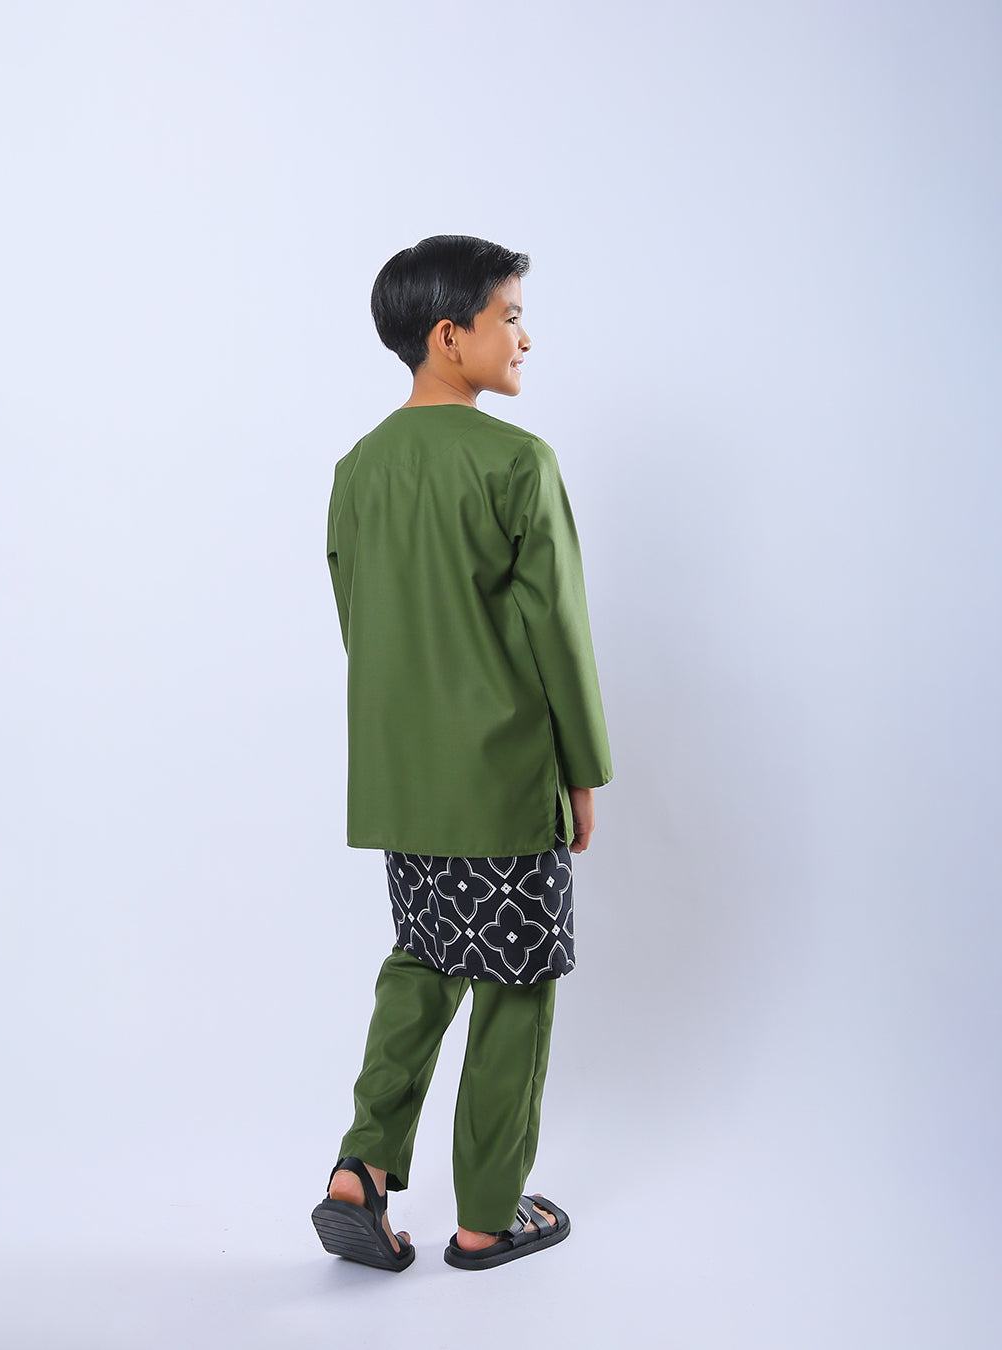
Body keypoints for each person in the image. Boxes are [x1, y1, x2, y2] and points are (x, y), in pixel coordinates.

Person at [311, 235, 613, 1272]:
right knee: (516, 984)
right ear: (450, 335)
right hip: (501, 776)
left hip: (405, 781)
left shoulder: (357, 471)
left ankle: (360, 1170)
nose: (525, 337)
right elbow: (558, 634)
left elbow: (362, 625)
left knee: (424, 961)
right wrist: (581, 769)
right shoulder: (517, 464)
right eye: (509, 316)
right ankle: (488, 1216)